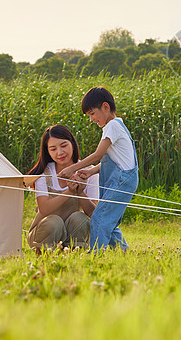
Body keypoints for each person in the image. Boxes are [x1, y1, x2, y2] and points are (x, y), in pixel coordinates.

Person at [58, 87, 139, 251]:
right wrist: (90, 171)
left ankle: (96, 255)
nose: (91, 119)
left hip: (121, 181)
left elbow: (98, 155)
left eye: (92, 113)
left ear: (105, 107)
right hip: (123, 179)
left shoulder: (112, 126)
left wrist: (72, 168)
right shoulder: (117, 126)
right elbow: (114, 160)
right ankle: (123, 252)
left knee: (100, 218)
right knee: (107, 219)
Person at [25, 125, 99, 251]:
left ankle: (75, 252)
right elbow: (44, 209)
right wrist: (69, 191)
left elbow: (93, 213)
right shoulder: (44, 174)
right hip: (44, 232)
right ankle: (43, 253)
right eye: (53, 149)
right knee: (54, 221)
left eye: (64, 146)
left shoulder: (89, 173)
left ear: (72, 144)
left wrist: (80, 192)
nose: (59, 153)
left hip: (73, 231)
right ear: (47, 151)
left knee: (80, 218)